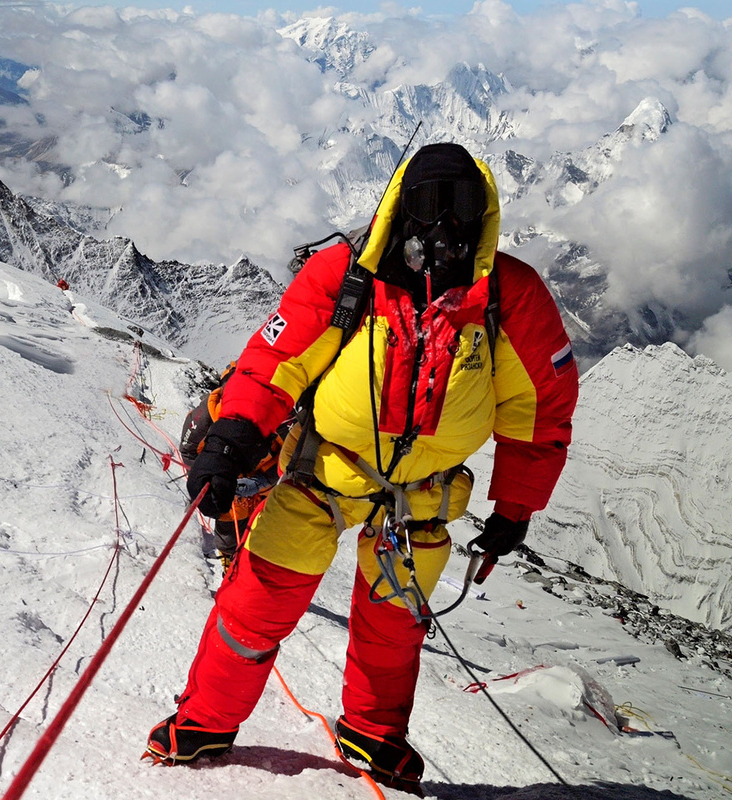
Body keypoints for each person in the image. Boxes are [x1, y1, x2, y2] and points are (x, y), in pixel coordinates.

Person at [144, 142, 579, 795]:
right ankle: (205, 719)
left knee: (393, 622)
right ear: (401, 206)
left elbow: (541, 410)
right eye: (429, 206)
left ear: (482, 213)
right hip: (326, 469)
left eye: (458, 208)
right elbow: (273, 364)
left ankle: (373, 733)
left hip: (422, 494)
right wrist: (230, 439)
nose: (442, 226)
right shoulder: (345, 276)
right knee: (258, 597)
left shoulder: (509, 297)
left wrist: (516, 506)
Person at [178, 363, 291, 574]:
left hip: (266, 489)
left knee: (264, 533)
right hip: (230, 486)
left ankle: (250, 568)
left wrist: (262, 481)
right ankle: (230, 563)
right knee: (229, 524)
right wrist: (210, 476)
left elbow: (292, 458)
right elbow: (188, 452)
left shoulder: (280, 417)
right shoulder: (204, 416)